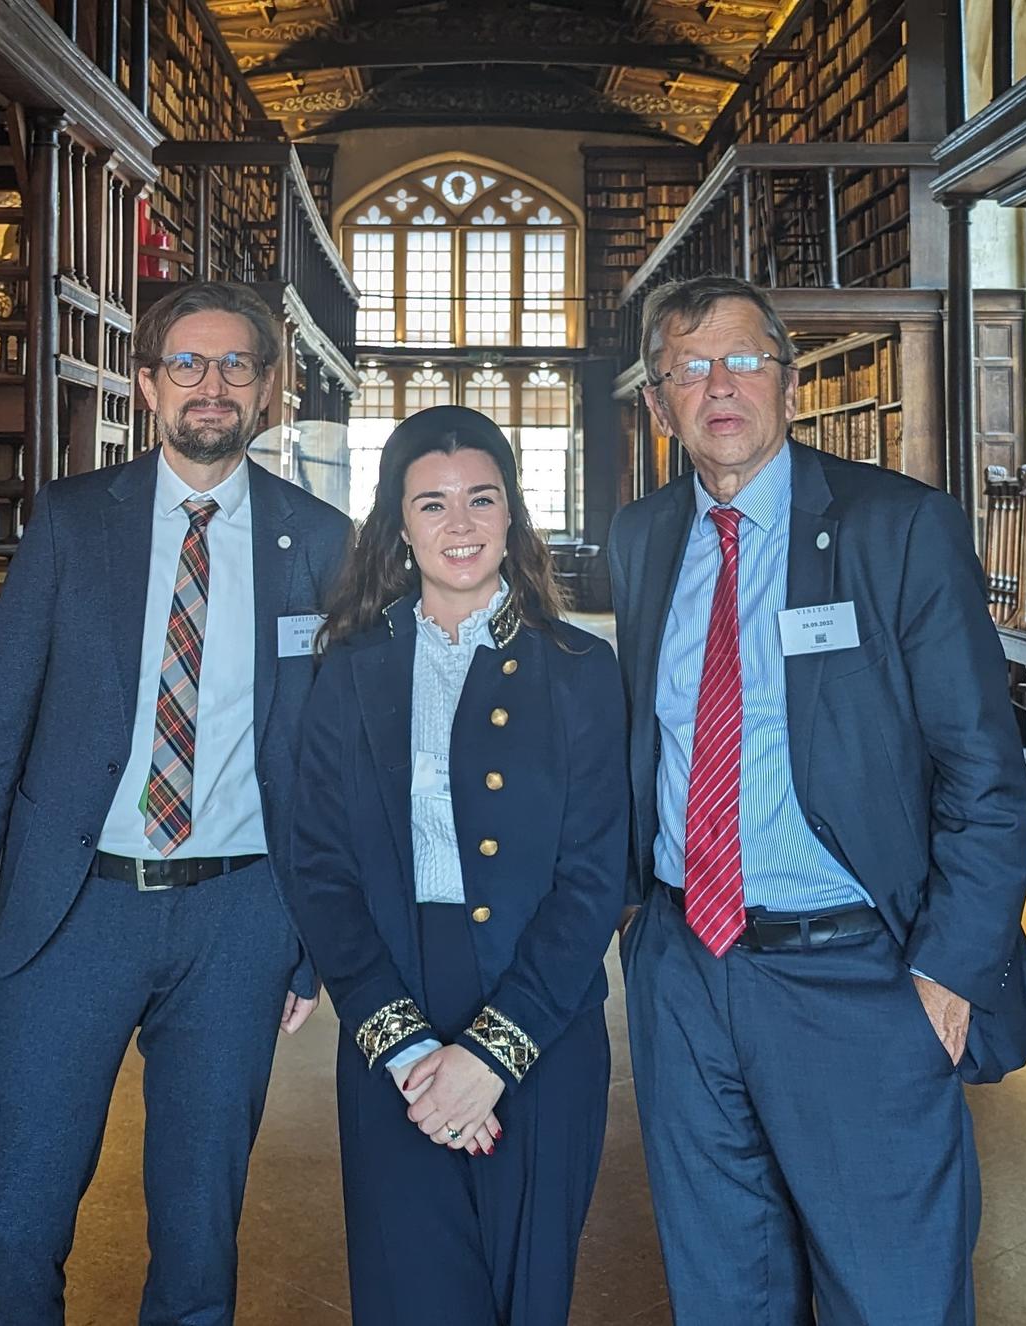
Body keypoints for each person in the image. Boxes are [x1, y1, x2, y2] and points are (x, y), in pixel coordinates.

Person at [0, 280, 354, 1325]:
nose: (211, 387)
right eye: (186, 365)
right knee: (17, 1220)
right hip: (71, 916)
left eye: (236, 365)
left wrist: (309, 941)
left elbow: (331, 766)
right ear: (146, 383)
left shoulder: (322, 543)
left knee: (199, 1237)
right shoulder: (69, 522)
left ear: (269, 389)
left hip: (238, 921)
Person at [609, 273, 1026, 1325]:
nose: (717, 387)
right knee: (722, 1291)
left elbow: (985, 776)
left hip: (858, 974)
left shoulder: (894, 527)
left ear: (789, 382)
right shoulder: (639, 539)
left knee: (891, 1294)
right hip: (685, 973)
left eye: (741, 361)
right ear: (658, 402)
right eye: (687, 370)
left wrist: (947, 975)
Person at [286, 405, 628, 1326]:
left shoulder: (580, 668)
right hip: (388, 1006)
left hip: (542, 1014)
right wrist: (405, 1050)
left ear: (513, 514)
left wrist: (492, 1055)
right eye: (432, 505)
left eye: (482, 499)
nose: (462, 525)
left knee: (528, 1295)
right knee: (410, 1297)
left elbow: (597, 877)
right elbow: (319, 867)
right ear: (399, 526)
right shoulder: (349, 667)